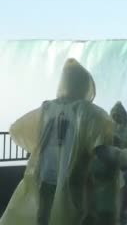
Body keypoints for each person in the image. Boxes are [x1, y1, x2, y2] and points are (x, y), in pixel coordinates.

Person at [0, 58, 120, 225]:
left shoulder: (47, 108)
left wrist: (36, 146)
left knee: (43, 214)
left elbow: (16, 129)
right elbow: (101, 142)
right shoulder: (87, 111)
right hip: (73, 175)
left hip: (44, 172)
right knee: (72, 214)